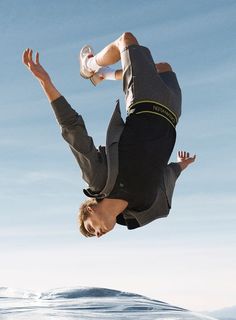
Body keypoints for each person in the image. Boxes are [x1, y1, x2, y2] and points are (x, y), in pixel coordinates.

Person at [22, 32, 196, 238]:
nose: (97, 234)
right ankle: (106, 75)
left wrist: (45, 82)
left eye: (89, 228)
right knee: (163, 68)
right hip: (172, 112)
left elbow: (73, 129)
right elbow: (165, 176)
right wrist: (181, 165)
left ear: (89, 210)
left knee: (127, 40)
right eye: (96, 235)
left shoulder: (99, 179)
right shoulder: (142, 208)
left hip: (143, 101)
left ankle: (90, 66)